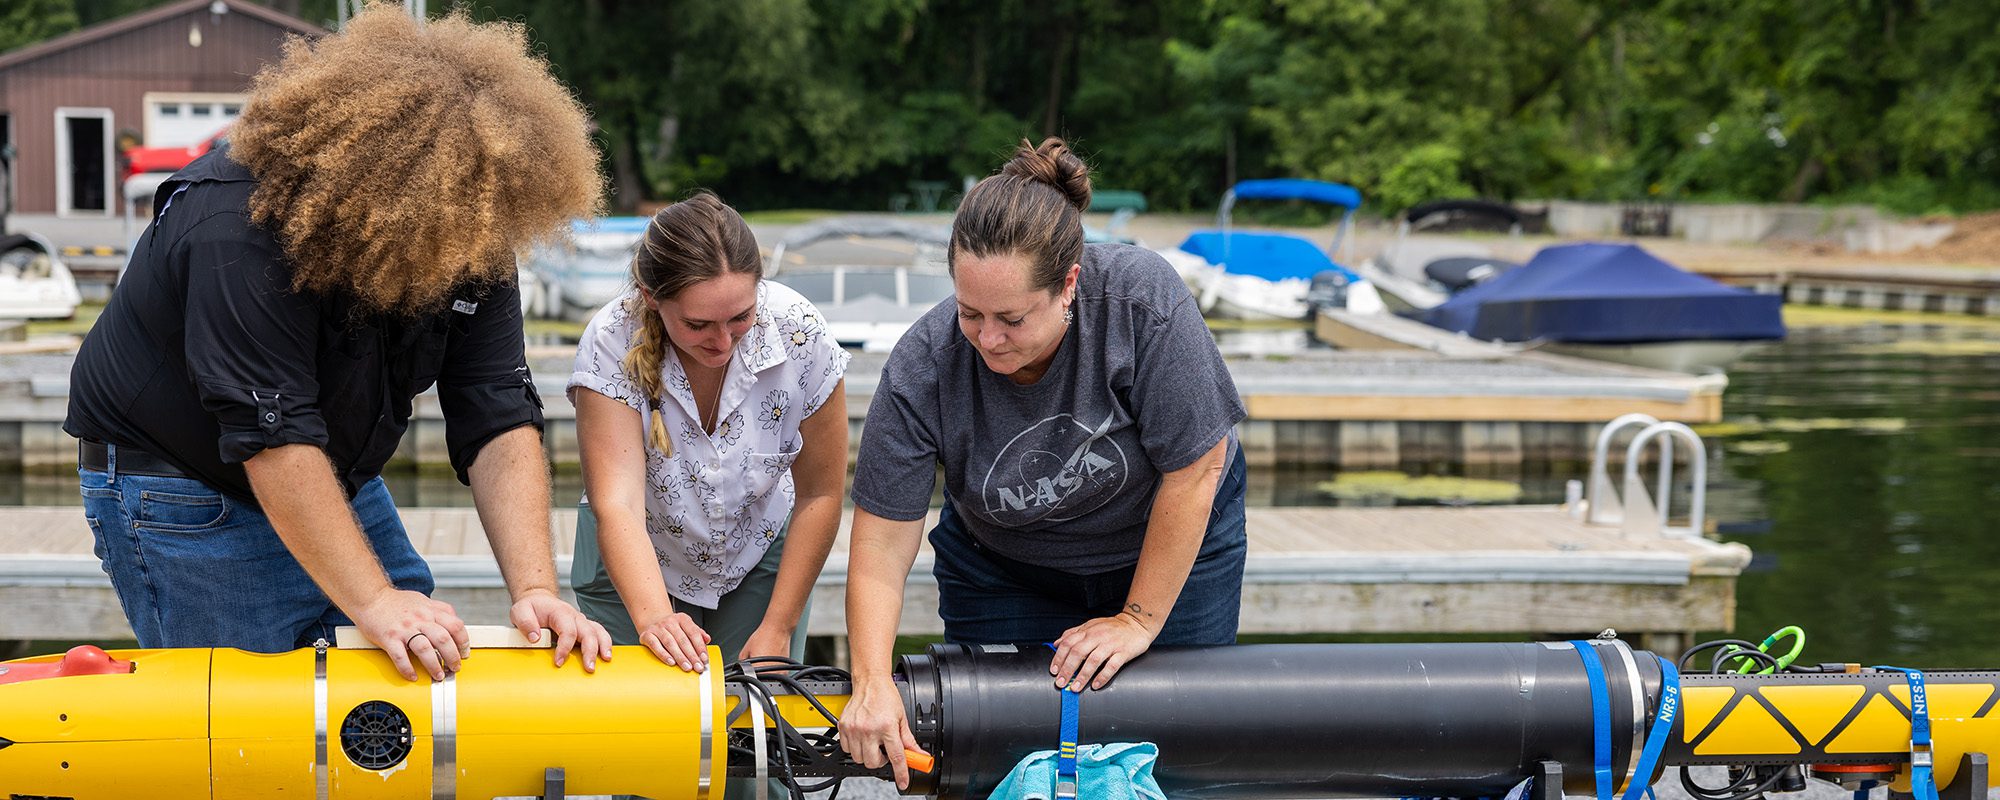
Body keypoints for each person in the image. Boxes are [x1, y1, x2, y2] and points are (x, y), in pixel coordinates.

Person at [63, 6, 610, 682]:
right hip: (180, 478)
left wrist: (536, 592)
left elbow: (495, 406)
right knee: (246, 724)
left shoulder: (471, 221)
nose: (473, 253)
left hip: (325, 459)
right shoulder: (239, 229)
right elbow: (272, 432)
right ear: (388, 200)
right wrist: (374, 600)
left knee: (407, 679)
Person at [838, 137, 1251, 787]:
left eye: (1011, 318)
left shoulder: (1142, 303)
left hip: (1173, 536)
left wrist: (1137, 621)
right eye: (970, 313)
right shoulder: (924, 366)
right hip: (1005, 566)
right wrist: (870, 681)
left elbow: (1196, 467)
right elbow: (883, 542)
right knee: (991, 760)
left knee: (1179, 757)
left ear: (1069, 286)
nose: (989, 339)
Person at [566, 192, 848, 674]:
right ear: (652, 298)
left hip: (756, 549)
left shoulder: (801, 332)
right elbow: (618, 504)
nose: (721, 342)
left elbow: (820, 494)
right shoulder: (611, 341)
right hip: (635, 549)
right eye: (698, 324)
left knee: (752, 726)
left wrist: (780, 624)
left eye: (740, 317)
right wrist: (655, 617)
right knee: (641, 730)